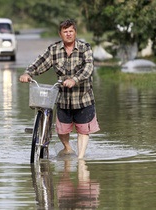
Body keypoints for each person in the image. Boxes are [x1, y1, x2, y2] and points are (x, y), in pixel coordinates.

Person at [19, 19, 100, 159]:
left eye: (71, 31)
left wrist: (74, 80)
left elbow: (88, 68)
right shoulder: (54, 50)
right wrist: (28, 73)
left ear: (75, 32)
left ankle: (80, 160)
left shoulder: (85, 48)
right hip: (63, 99)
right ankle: (67, 148)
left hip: (83, 98)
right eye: (65, 32)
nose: (68, 34)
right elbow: (40, 62)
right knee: (62, 131)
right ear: (60, 34)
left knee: (83, 131)